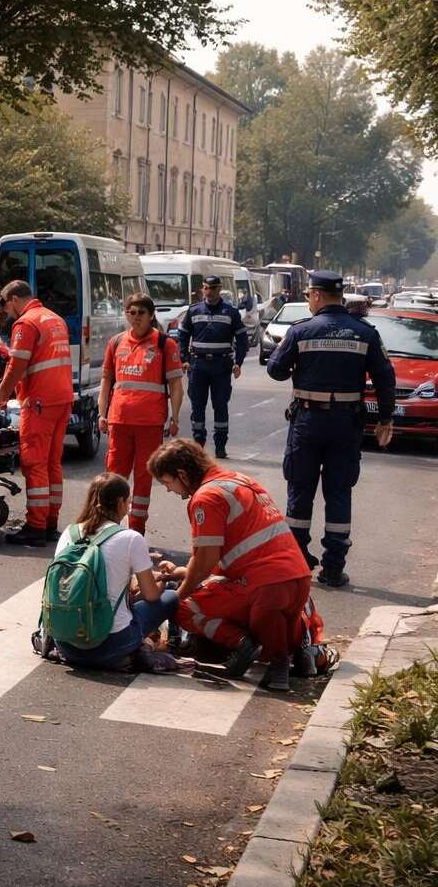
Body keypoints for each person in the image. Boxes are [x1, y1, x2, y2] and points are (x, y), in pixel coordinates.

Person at [265, 270, 396, 588]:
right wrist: (385, 419)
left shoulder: (301, 330)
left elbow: (275, 370)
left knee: (300, 488)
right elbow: (385, 377)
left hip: (308, 423)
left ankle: (297, 561)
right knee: (339, 492)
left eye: (309, 295)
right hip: (347, 424)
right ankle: (334, 568)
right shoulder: (365, 333)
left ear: (316, 295)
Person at [148, 439, 312, 691]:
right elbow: (231, 556)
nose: (170, 490)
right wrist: (183, 572)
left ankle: (246, 644)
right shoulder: (239, 480)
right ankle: (297, 651)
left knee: (184, 608)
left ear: (182, 474)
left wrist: (175, 599)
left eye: (168, 482)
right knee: (276, 612)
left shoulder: (205, 498)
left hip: (264, 588)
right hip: (297, 581)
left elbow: (204, 564)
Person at [43, 473, 181, 672]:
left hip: (66, 643)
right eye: (128, 501)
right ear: (120, 502)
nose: (129, 506)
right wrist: (162, 580)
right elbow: (151, 595)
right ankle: (170, 643)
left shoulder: (70, 533)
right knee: (170, 596)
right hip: (111, 645)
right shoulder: (131, 538)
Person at [0, 280, 74, 547]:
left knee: (35, 463)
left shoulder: (26, 323)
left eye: (3, 302)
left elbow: (16, 367)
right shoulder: (54, 319)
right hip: (61, 399)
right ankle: (49, 523)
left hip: (39, 402)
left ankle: (36, 526)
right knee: (52, 463)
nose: (5, 309)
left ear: (13, 299)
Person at [97, 293, 185, 535]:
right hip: (119, 420)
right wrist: (101, 413)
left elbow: (176, 385)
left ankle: (136, 530)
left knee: (144, 479)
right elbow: (106, 381)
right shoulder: (116, 343)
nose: (135, 318)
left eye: (141, 313)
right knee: (114, 476)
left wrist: (175, 417)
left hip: (150, 422)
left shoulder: (164, 344)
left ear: (151, 315)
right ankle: (109, 528)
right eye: (131, 312)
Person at [176, 275, 249, 457]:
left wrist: (238, 363)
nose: (210, 292)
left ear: (219, 289)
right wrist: (184, 359)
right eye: (206, 288)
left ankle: (220, 445)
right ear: (203, 289)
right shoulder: (193, 311)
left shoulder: (230, 312)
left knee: (220, 405)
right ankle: (198, 444)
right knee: (197, 406)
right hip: (198, 366)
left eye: (214, 288)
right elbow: (182, 337)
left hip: (221, 366)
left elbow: (242, 339)